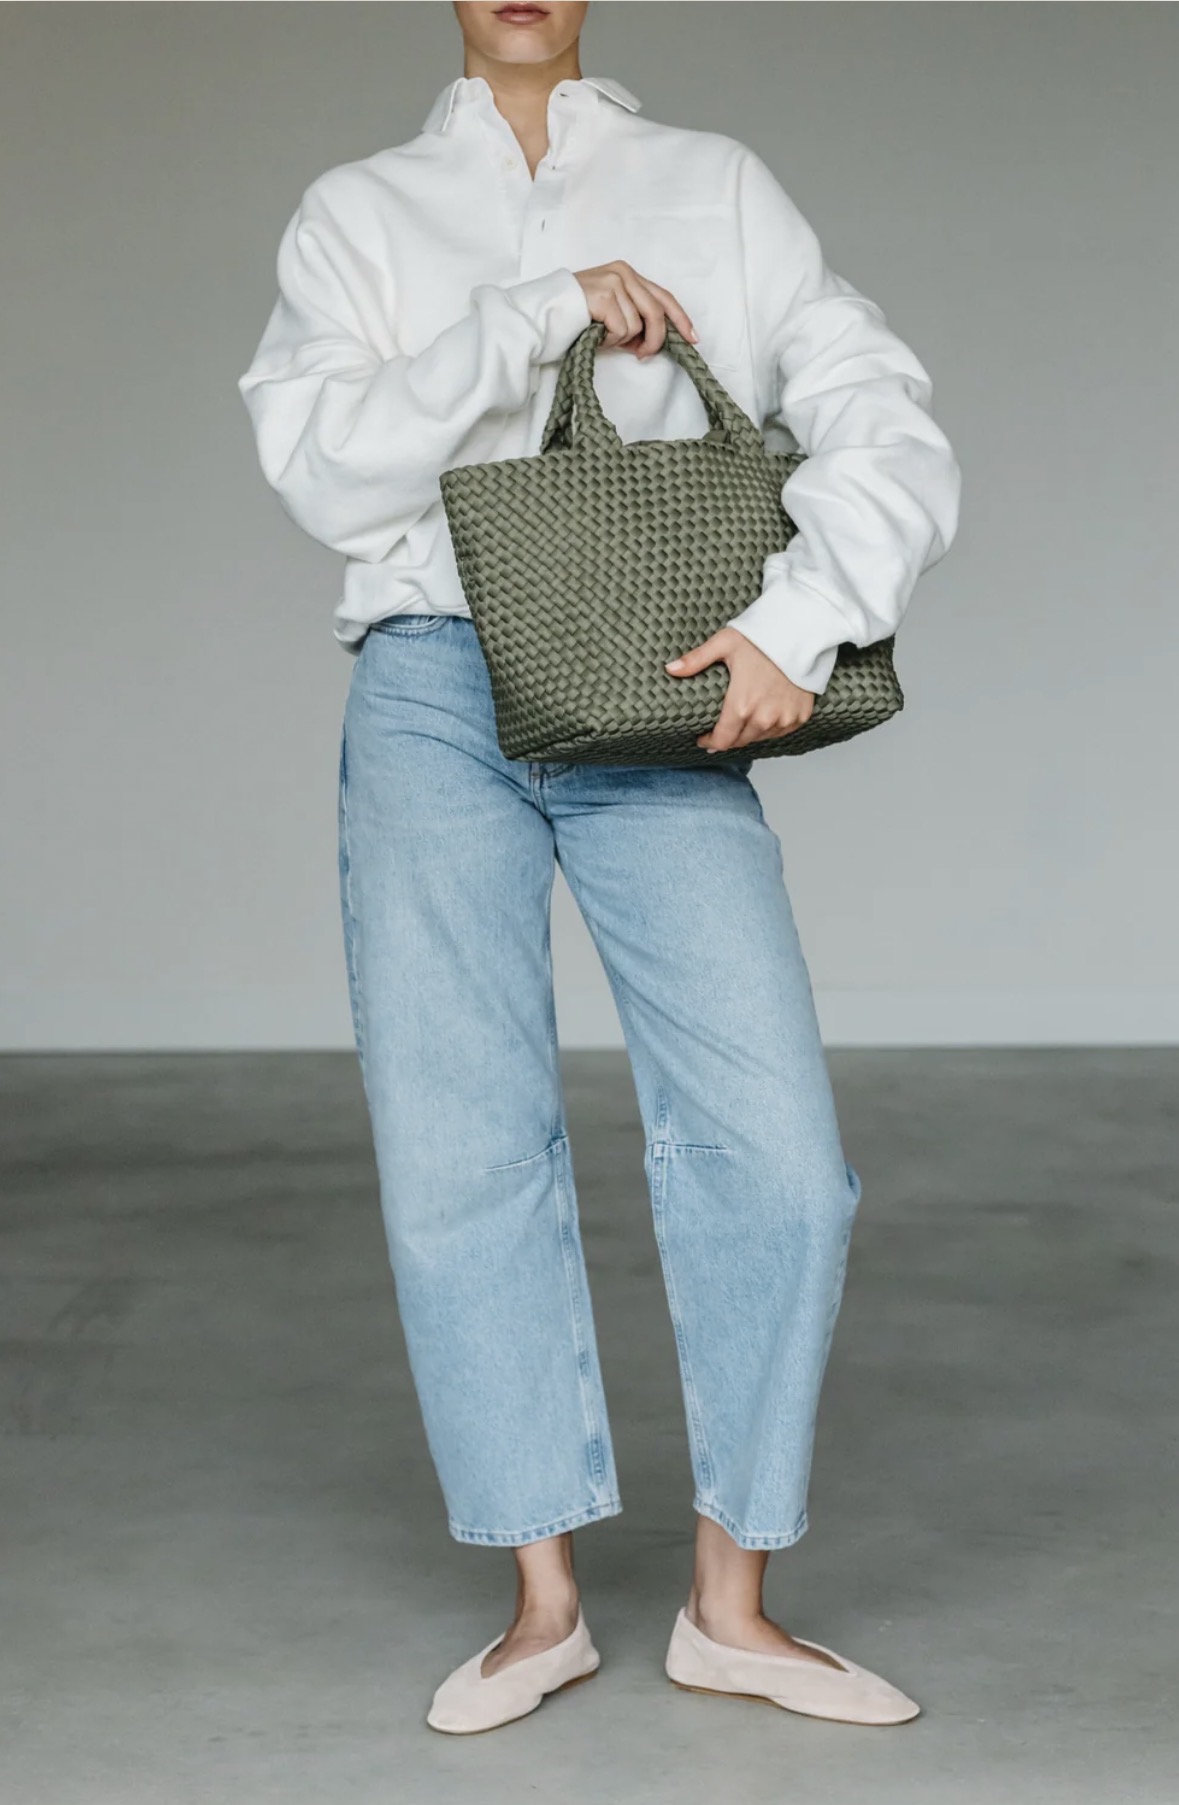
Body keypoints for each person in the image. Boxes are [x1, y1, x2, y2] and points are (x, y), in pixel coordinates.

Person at [237, 0, 961, 1737]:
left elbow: (882, 411)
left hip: (659, 686)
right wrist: (533, 314)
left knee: (778, 1155)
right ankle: (541, 1603)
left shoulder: (714, 183)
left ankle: (732, 1607)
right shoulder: (359, 211)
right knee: (459, 1146)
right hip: (431, 686)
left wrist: (804, 617)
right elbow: (328, 473)